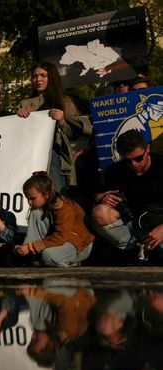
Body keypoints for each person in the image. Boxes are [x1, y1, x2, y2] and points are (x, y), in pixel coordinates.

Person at [16, 63, 91, 191]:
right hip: (30, 157)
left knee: (56, 194)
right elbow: (16, 134)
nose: (38, 79)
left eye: (43, 75)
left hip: (56, 157)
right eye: (35, 76)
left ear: (52, 77)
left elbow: (74, 135)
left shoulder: (66, 101)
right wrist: (17, 117)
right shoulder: (25, 103)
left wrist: (62, 120)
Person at [91, 129, 163, 262]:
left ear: (148, 148)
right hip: (134, 227)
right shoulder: (115, 171)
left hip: (159, 224)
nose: (134, 164)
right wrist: (101, 197)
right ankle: (137, 251)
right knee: (100, 211)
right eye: (128, 160)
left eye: (138, 158)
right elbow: (98, 195)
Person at [14, 172, 94, 267]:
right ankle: (32, 255)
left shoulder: (65, 207)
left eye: (33, 198)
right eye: (27, 198)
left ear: (46, 194)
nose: (29, 202)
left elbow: (61, 237)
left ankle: (69, 262)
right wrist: (26, 248)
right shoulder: (40, 208)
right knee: (36, 212)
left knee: (48, 256)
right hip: (59, 242)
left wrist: (31, 247)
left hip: (78, 245)